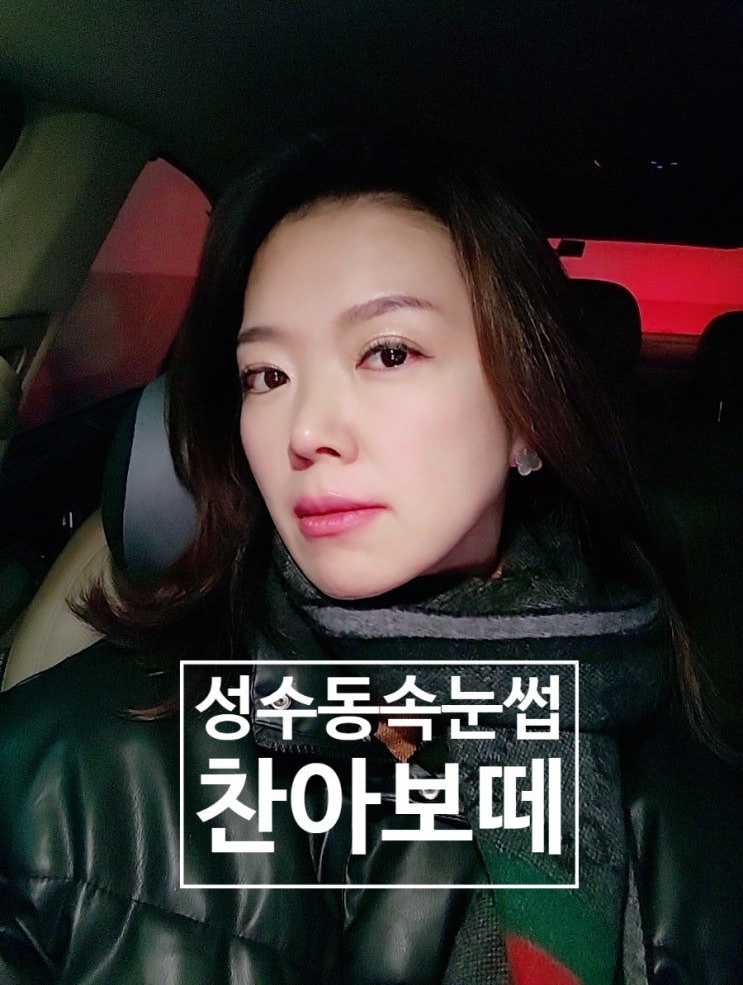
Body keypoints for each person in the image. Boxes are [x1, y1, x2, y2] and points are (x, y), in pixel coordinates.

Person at [0, 129, 726, 984]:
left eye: (388, 352)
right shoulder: (61, 774)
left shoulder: (696, 819)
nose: (305, 430)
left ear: (526, 416)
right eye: (266, 375)